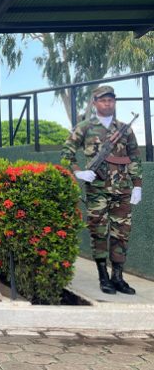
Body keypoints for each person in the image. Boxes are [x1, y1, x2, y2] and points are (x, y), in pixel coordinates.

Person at [61, 85, 142, 295]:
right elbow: (66, 152)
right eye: (104, 100)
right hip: (97, 189)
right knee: (99, 232)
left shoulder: (125, 129)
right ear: (95, 102)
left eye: (111, 100)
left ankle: (118, 277)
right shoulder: (85, 127)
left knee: (121, 234)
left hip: (123, 190)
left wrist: (137, 186)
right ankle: (103, 277)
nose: (108, 103)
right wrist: (78, 171)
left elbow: (134, 158)